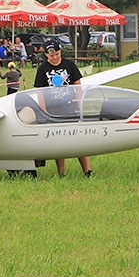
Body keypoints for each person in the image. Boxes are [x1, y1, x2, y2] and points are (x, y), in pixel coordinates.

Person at [34, 39, 92, 177]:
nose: (55, 58)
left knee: (77, 140)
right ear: (46, 55)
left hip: (70, 106)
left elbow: (78, 85)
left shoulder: (69, 65)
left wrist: (79, 104)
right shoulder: (42, 69)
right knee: (59, 142)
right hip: (53, 109)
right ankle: (61, 173)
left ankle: (87, 171)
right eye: (51, 56)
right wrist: (44, 111)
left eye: (57, 54)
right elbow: (40, 92)